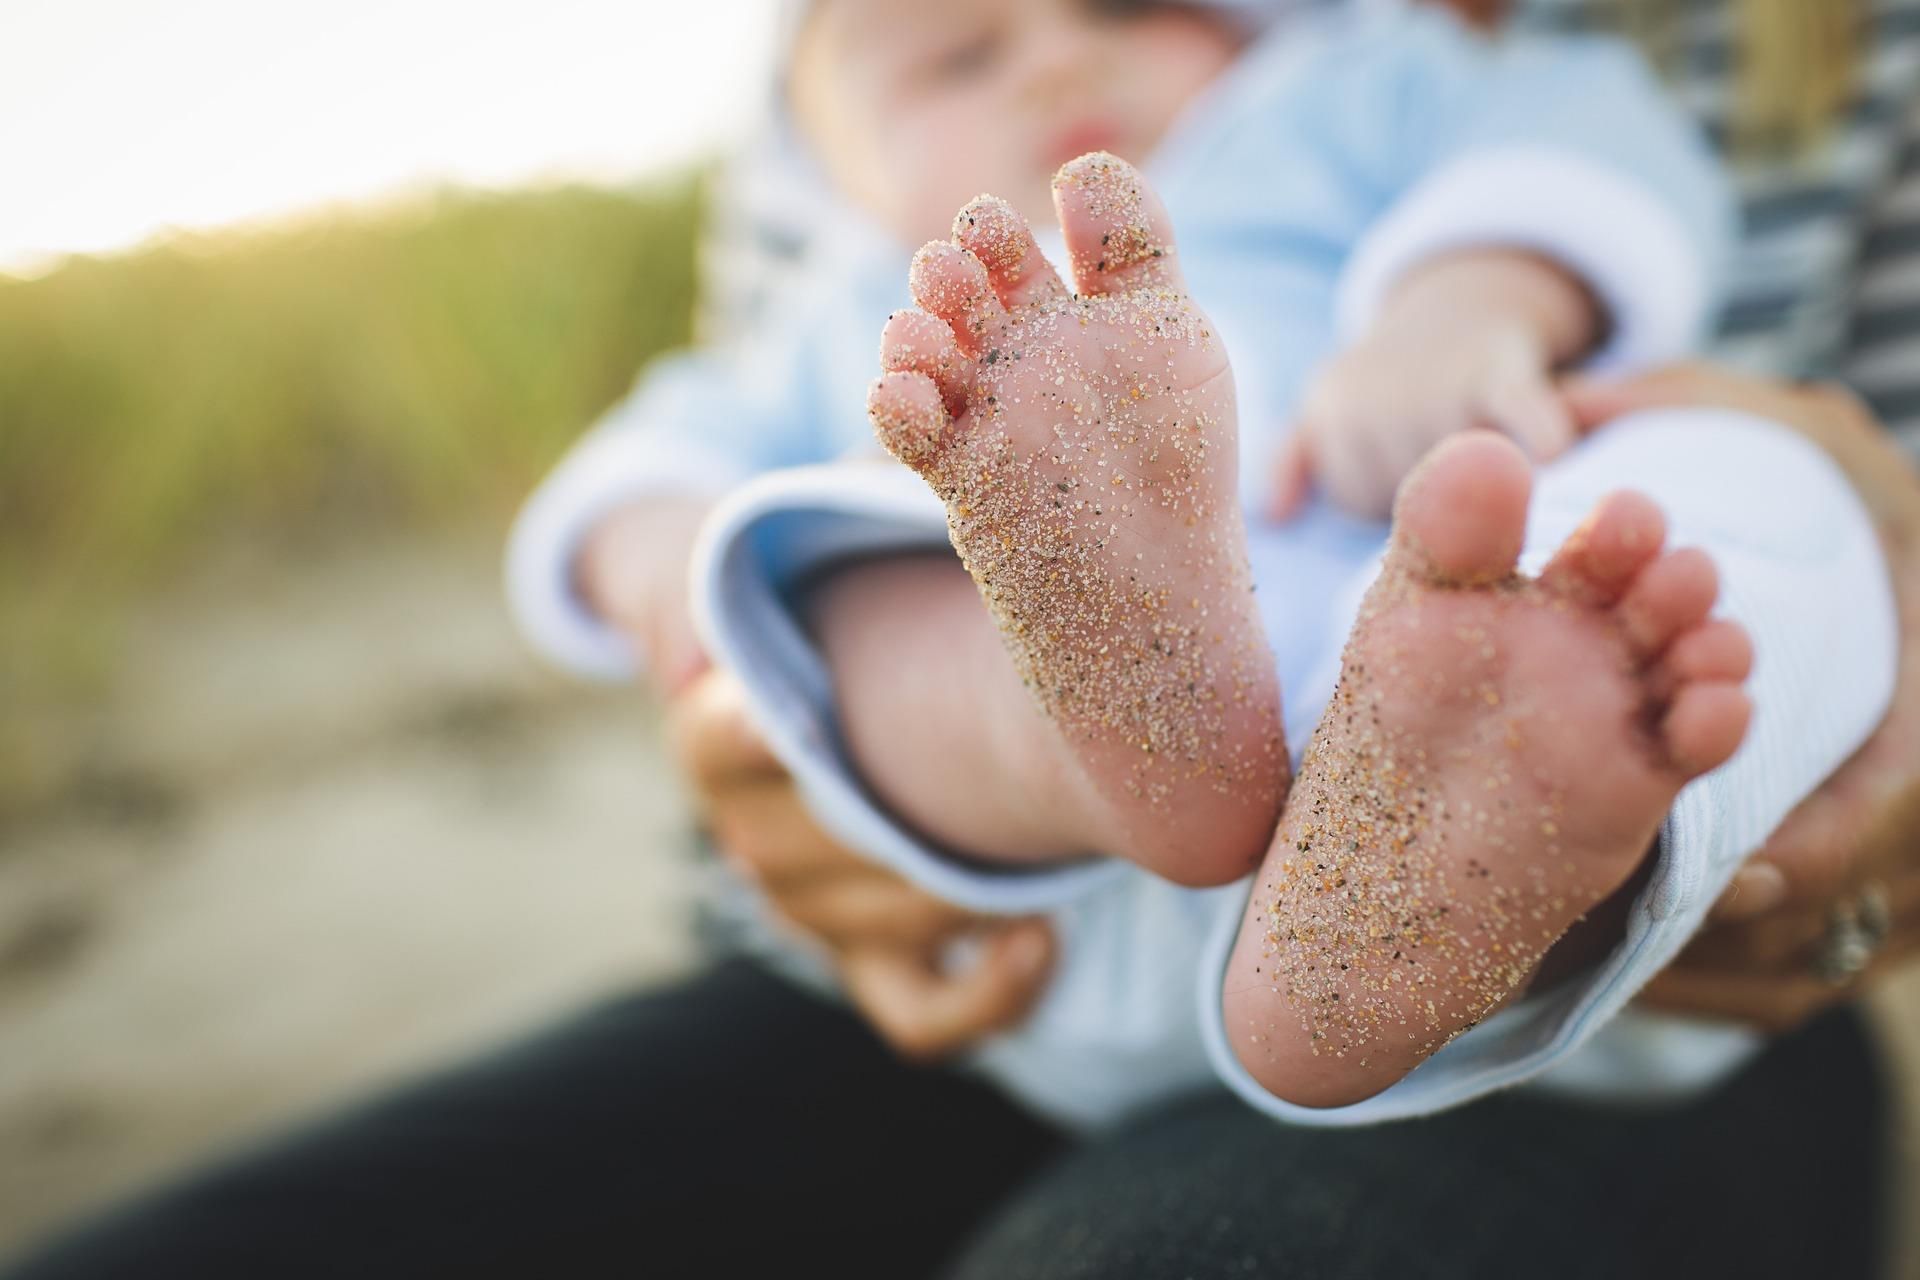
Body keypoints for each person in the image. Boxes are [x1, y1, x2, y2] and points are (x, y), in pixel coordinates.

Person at [4, 1, 1914, 1276]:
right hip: (1027, 922)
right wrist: (687, 591)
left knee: (1735, 481)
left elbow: (1573, 143)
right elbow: (626, 491)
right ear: (824, 168)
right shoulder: (869, 311)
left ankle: (1429, 872)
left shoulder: (1347, 92)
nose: (1055, 60)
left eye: (1122, 5)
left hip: (1587, 939)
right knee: (839, 559)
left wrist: (1467, 298)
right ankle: (1094, 709)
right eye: (960, 55)